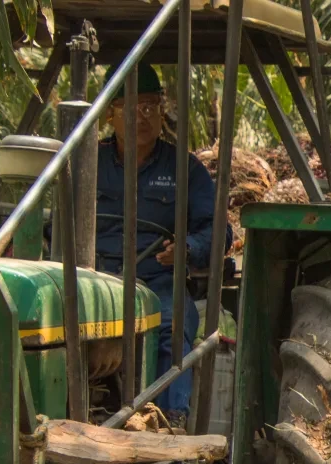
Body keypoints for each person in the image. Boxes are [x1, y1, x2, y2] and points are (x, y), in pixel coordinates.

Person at [93, 62, 231, 425]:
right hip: (93, 278)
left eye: (150, 107)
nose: (141, 117)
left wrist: (185, 250)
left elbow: (218, 230)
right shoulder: (87, 163)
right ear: (109, 113)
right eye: (130, 108)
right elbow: (54, 225)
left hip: (156, 281)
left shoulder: (185, 169)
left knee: (171, 326)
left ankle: (169, 424)